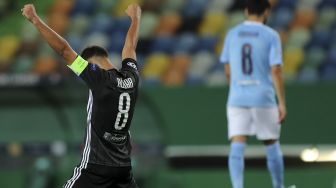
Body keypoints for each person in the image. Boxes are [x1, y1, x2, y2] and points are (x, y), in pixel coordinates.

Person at [22, 3, 141, 188]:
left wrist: (35, 19)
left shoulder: (97, 77)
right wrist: (135, 19)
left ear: (91, 62)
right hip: (123, 168)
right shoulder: (132, 78)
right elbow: (130, 47)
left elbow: (64, 50)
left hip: (95, 168)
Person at [219, 0, 286, 188]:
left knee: (237, 144)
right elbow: (276, 71)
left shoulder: (232, 34)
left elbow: (227, 70)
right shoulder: (271, 35)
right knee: (271, 143)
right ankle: (278, 186)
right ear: (266, 12)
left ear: (246, 10)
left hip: (237, 97)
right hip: (263, 96)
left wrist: (237, 88)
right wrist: (281, 102)